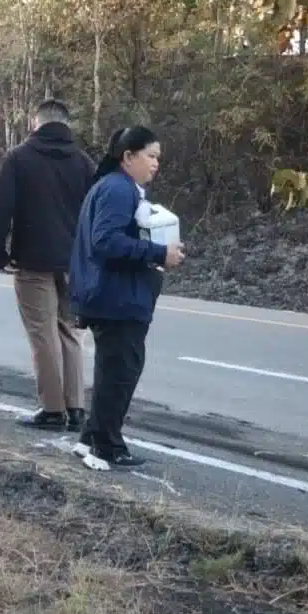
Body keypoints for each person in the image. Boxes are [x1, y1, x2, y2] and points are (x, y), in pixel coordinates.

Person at [69, 126, 185, 469]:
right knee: (120, 373)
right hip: (116, 299)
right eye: (150, 156)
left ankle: (91, 438)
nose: (156, 163)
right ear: (128, 156)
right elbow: (105, 241)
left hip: (113, 296)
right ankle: (106, 447)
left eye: (158, 157)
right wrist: (158, 253)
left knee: (114, 369)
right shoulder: (119, 189)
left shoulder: (114, 186)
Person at [0, 99, 96, 431]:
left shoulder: (20, 158)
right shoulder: (84, 162)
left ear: (37, 123)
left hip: (32, 259)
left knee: (42, 332)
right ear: (66, 124)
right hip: (74, 262)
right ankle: (76, 407)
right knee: (71, 331)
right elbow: (96, 212)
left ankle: (52, 409)